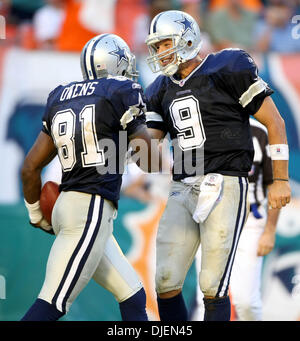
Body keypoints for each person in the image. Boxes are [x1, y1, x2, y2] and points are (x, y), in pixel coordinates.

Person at [144, 10, 291, 321]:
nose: (159, 53)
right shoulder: (160, 88)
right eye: (155, 47)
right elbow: (145, 152)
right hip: (182, 186)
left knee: (213, 284)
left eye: (164, 44)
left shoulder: (227, 66)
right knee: (166, 281)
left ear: (186, 40)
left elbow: (275, 122)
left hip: (225, 183)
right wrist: (121, 131)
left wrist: (280, 179)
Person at [21, 33, 158, 321]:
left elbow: (29, 168)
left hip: (67, 208)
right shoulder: (121, 91)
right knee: (52, 305)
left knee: (133, 295)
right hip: (90, 210)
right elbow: (149, 161)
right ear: (114, 64)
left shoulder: (60, 95)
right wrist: (148, 133)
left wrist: (36, 214)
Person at [191, 117, 281, 321]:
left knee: (247, 302)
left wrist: (270, 230)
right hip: (210, 218)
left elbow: (275, 184)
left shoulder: (260, 131)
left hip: (250, 221)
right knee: (205, 297)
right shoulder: (203, 126)